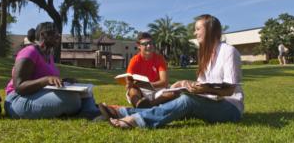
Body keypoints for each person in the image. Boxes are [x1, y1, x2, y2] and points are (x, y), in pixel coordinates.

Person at [103, 14, 244, 128]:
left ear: (210, 29)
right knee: (177, 98)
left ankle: (136, 120)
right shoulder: (206, 56)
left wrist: (203, 88)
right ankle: (123, 111)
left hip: (230, 108)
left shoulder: (228, 52)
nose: (195, 32)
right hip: (210, 102)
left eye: (198, 29)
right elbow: (205, 86)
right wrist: (185, 84)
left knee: (187, 100)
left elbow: (228, 90)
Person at [4, 22, 101, 119]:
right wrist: (46, 80)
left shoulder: (48, 55)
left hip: (38, 94)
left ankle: (90, 111)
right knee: (71, 100)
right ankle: (88, 109)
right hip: (17, 100)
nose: (58, 36)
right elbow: (19, 87)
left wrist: (64, 81)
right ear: (43, 35)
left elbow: (45, 79)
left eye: (58, 34)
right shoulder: (30, 51)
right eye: (54, 33)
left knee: (86, 91)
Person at [123, 32, 175, 108]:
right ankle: (140, 104)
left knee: (173, 92)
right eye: (145, 44)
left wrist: (148, 85)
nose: (149, 46)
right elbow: (129, 78)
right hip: (141, 91)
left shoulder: (159, 58)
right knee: (132, 91)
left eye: (151, 43)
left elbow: (164, 82)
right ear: (139, 46)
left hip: (157, 90)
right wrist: (129, 83)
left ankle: (147, 105)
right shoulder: (134, 60)